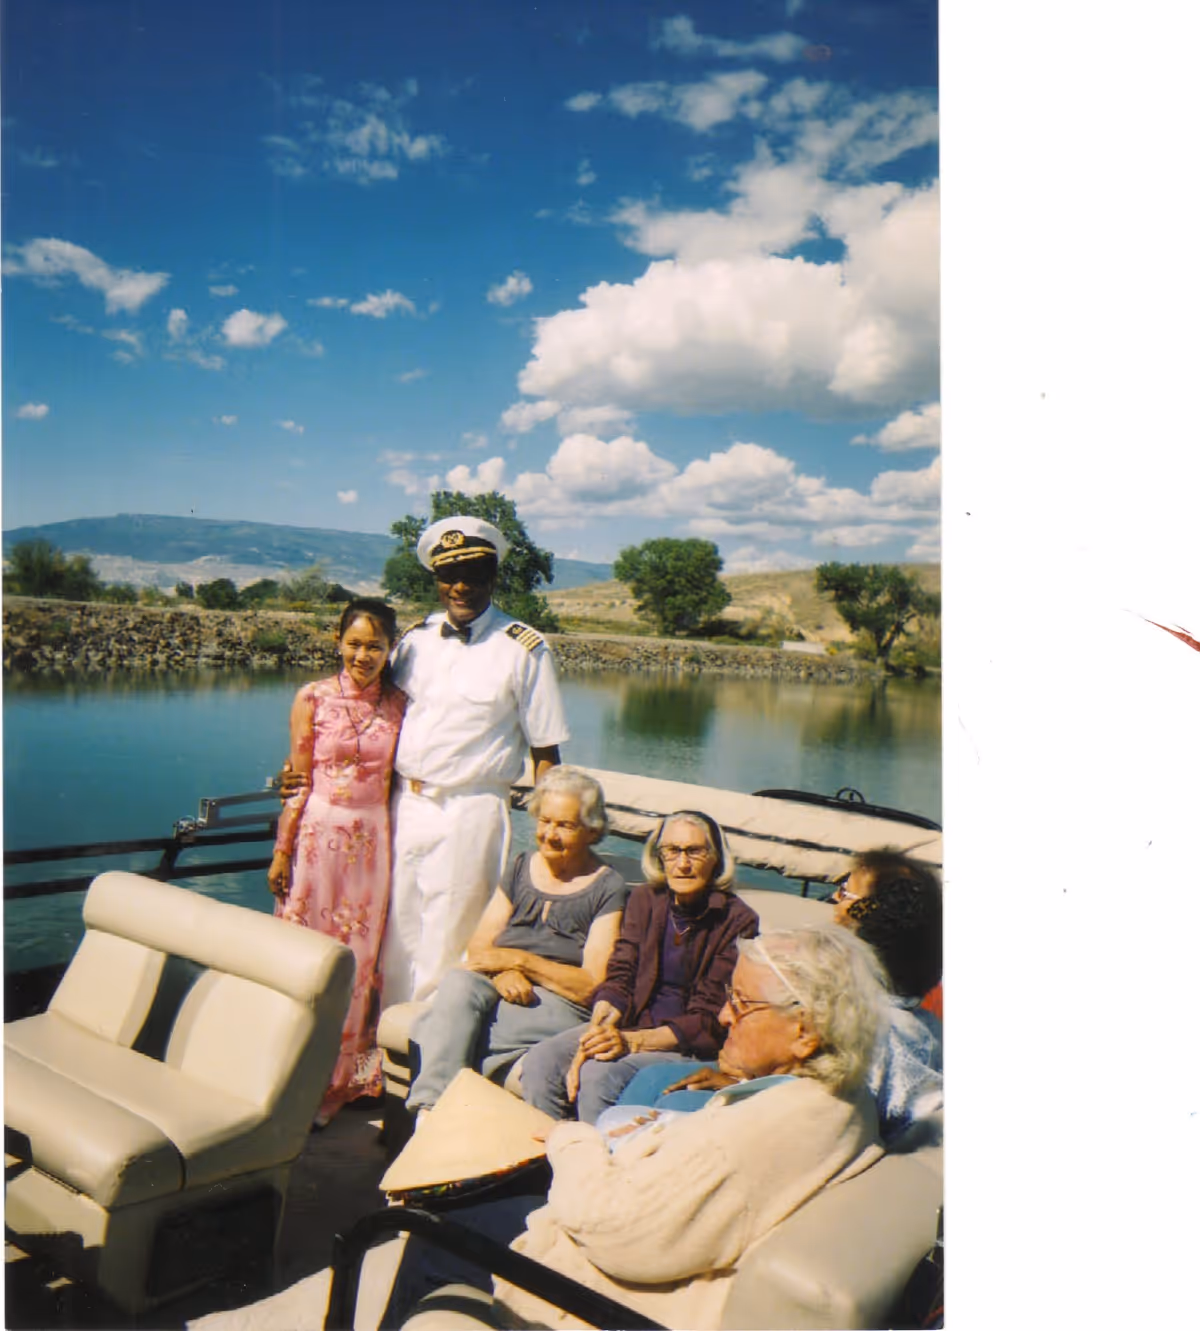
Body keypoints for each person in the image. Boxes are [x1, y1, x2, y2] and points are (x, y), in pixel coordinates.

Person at [382, 926, 888, 1331]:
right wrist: (656, 1134)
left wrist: (573, 1141)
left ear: (805, 1032)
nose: (723, 1013)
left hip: (617, 1293)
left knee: (438, 1218)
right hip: (656, 1238)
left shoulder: (767, 1129)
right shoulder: (844, 1100)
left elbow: (616, 1231)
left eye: (742, 1003)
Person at [621, 847, 944, 1145]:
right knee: (652, 1079)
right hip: (770, 1085)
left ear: (876, 918)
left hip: (793, 1123)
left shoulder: (885, 1029)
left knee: (672, 1100)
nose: (834, 897)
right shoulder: (850, 989)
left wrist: (746, 1088)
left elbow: (838, 1112)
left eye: (846, 891)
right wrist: (744, 1078)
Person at [377, 515, 571, 1007]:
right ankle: (382, 1049)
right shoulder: (416, 641)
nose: (460, 586)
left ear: (494, 577)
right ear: (436, 580)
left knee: (450, 937)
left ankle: (429, 1062)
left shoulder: (524, 649)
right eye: (448, 575)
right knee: (396, 933)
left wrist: (548, 841)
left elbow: (545, 752)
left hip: (471, 810)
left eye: (474, 574)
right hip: (407, 804)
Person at [405, 767, 628, 1118]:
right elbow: (480, 948)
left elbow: (590, 984)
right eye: (544, 821)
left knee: (444, 1024)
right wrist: (501, 974)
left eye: (565, 826)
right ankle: (430, 1112)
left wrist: (518, 963)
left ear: (591, 830)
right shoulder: (521, 866)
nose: (549, 834)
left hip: (558, 1003)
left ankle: (443, 1111)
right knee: (458, 983)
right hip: (499, 985)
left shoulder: (607, 887)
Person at [519, 810, 759, 1124]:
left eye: (695, 852)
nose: (682, 864)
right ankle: (551, 1155)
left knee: (598, 1074)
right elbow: (622, 970)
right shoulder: (646, 900)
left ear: (716, 859)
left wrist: (632, 1042)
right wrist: (602, 1021)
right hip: (629, 1023)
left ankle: (600, 1166)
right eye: (672, 851)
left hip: (681, 1042)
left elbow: (707, 1017)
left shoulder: (737, 920)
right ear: (659, 857)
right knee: (542, 1061)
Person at [268, 598, 406, 1126]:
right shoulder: (313, 697)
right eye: (354, 643)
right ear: (337, 642)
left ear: (390, 648)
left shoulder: (401, 704)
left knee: (361, 962)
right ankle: (287, 1072)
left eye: (374, 645)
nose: (362, 654)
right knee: (302, 951)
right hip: (316, 836)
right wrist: (283, 851)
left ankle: (349, 1080)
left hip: (372, 841)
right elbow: (297, 780)